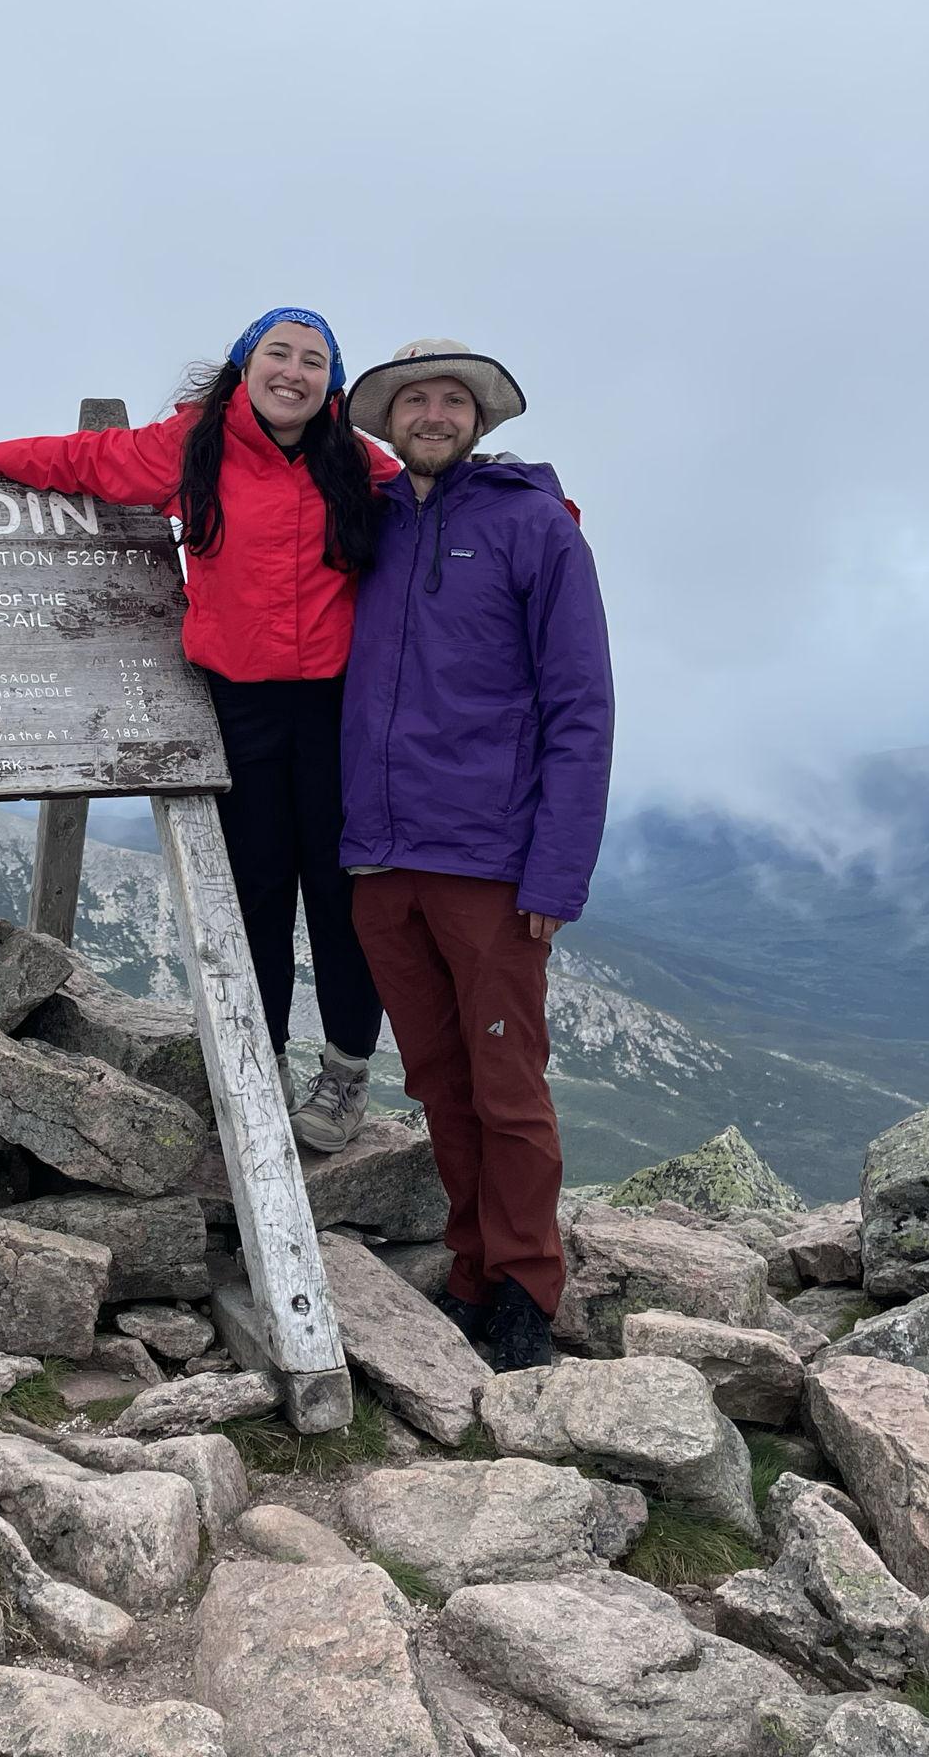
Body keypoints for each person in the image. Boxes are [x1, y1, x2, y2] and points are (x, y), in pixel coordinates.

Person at [0, 309, 400, 1127]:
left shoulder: (355, 459)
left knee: (343, 897)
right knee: (259, 894)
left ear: (332, 381)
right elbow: (83, 460)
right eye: (278, 354)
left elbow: (443, 501)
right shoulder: (194, 444)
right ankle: (257, 1066)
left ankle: (344, 1076)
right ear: (244, 362)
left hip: (340, 710)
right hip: (240, 704)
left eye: (313, 360)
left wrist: (539, 511)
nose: (293, 372)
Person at [337, 339, 614, 1370]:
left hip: (490, 862)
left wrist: (555, 871)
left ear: (479, 418)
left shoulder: (534, 528)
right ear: (389, 418)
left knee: (506, 1084)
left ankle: (527, 1289)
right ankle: (469, 1270)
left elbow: (580, 708)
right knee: (439, 1082)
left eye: (452, 398)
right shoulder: (366, 525)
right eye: (415, 399)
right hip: (378, 859)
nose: (433, 412)